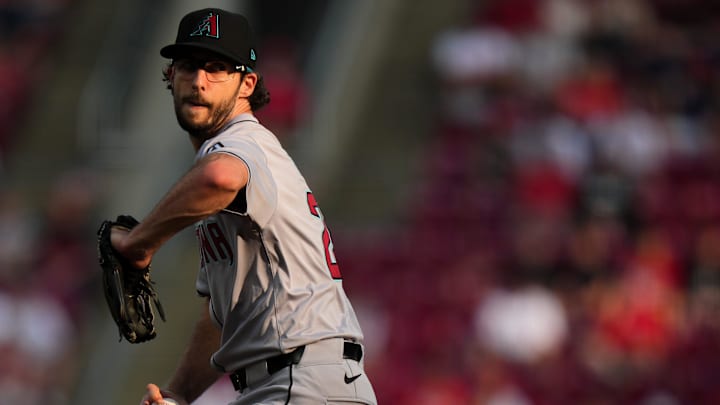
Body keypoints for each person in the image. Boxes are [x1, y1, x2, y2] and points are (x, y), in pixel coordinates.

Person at [109, 8, 377, 405]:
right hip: (297, 381)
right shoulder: (238, 168)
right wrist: (180, 394)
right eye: (187, 67)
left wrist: (140, 242)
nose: (199, 81)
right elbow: (221, 315)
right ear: (170, 77)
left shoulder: (242, 141)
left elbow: (221, 176)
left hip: (299, 379)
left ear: (247, 84)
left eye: (217, 68)